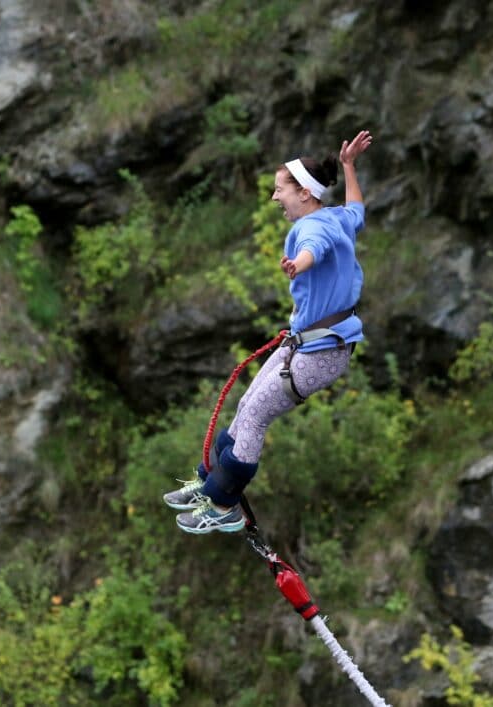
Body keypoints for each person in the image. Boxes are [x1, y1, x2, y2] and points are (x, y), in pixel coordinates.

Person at [163, 130, 373, 534]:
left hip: (321, 352)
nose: (275, 198)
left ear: (305, 194)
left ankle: (222, 506)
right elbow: (357, 208)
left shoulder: (314, 229)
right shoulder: (337, 218)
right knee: (245, 407)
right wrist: (349, 167)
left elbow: (316, 248)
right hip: (309, 344)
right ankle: (210, 485)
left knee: (256, 415)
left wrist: (301, 264)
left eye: (280, 190)